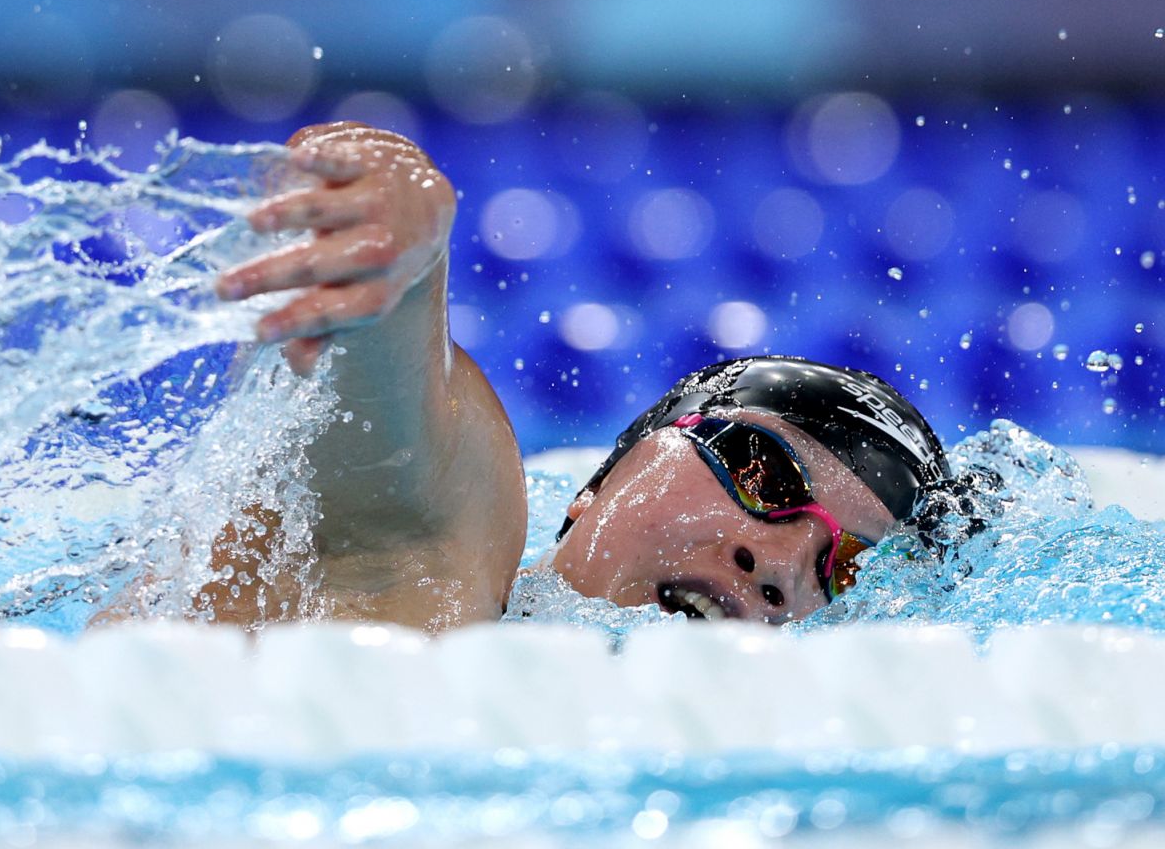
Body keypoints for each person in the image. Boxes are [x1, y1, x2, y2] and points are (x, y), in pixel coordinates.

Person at [203, 122, 953, 630]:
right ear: (601, 481)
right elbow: (390, 455)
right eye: (763, 472)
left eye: (845, 568)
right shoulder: (429, 572)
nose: (783, 566)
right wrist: (391, 241)